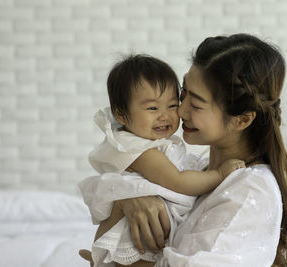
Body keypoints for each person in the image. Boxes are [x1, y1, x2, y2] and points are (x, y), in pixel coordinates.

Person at [81, 33, 287, 267]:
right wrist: (128, 198)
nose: (180, 112)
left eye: (195, 104)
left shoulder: (249, 191)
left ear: (242, 120)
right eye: (182, 94)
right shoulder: (192, 167)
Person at [79, 55, 244, 267]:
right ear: (121, 115)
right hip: (137, 241)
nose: (165, 116)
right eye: (152, 108)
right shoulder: (137, 149)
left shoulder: (155, 144)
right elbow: (178, 180)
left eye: (172, 105)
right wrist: (219, 174)